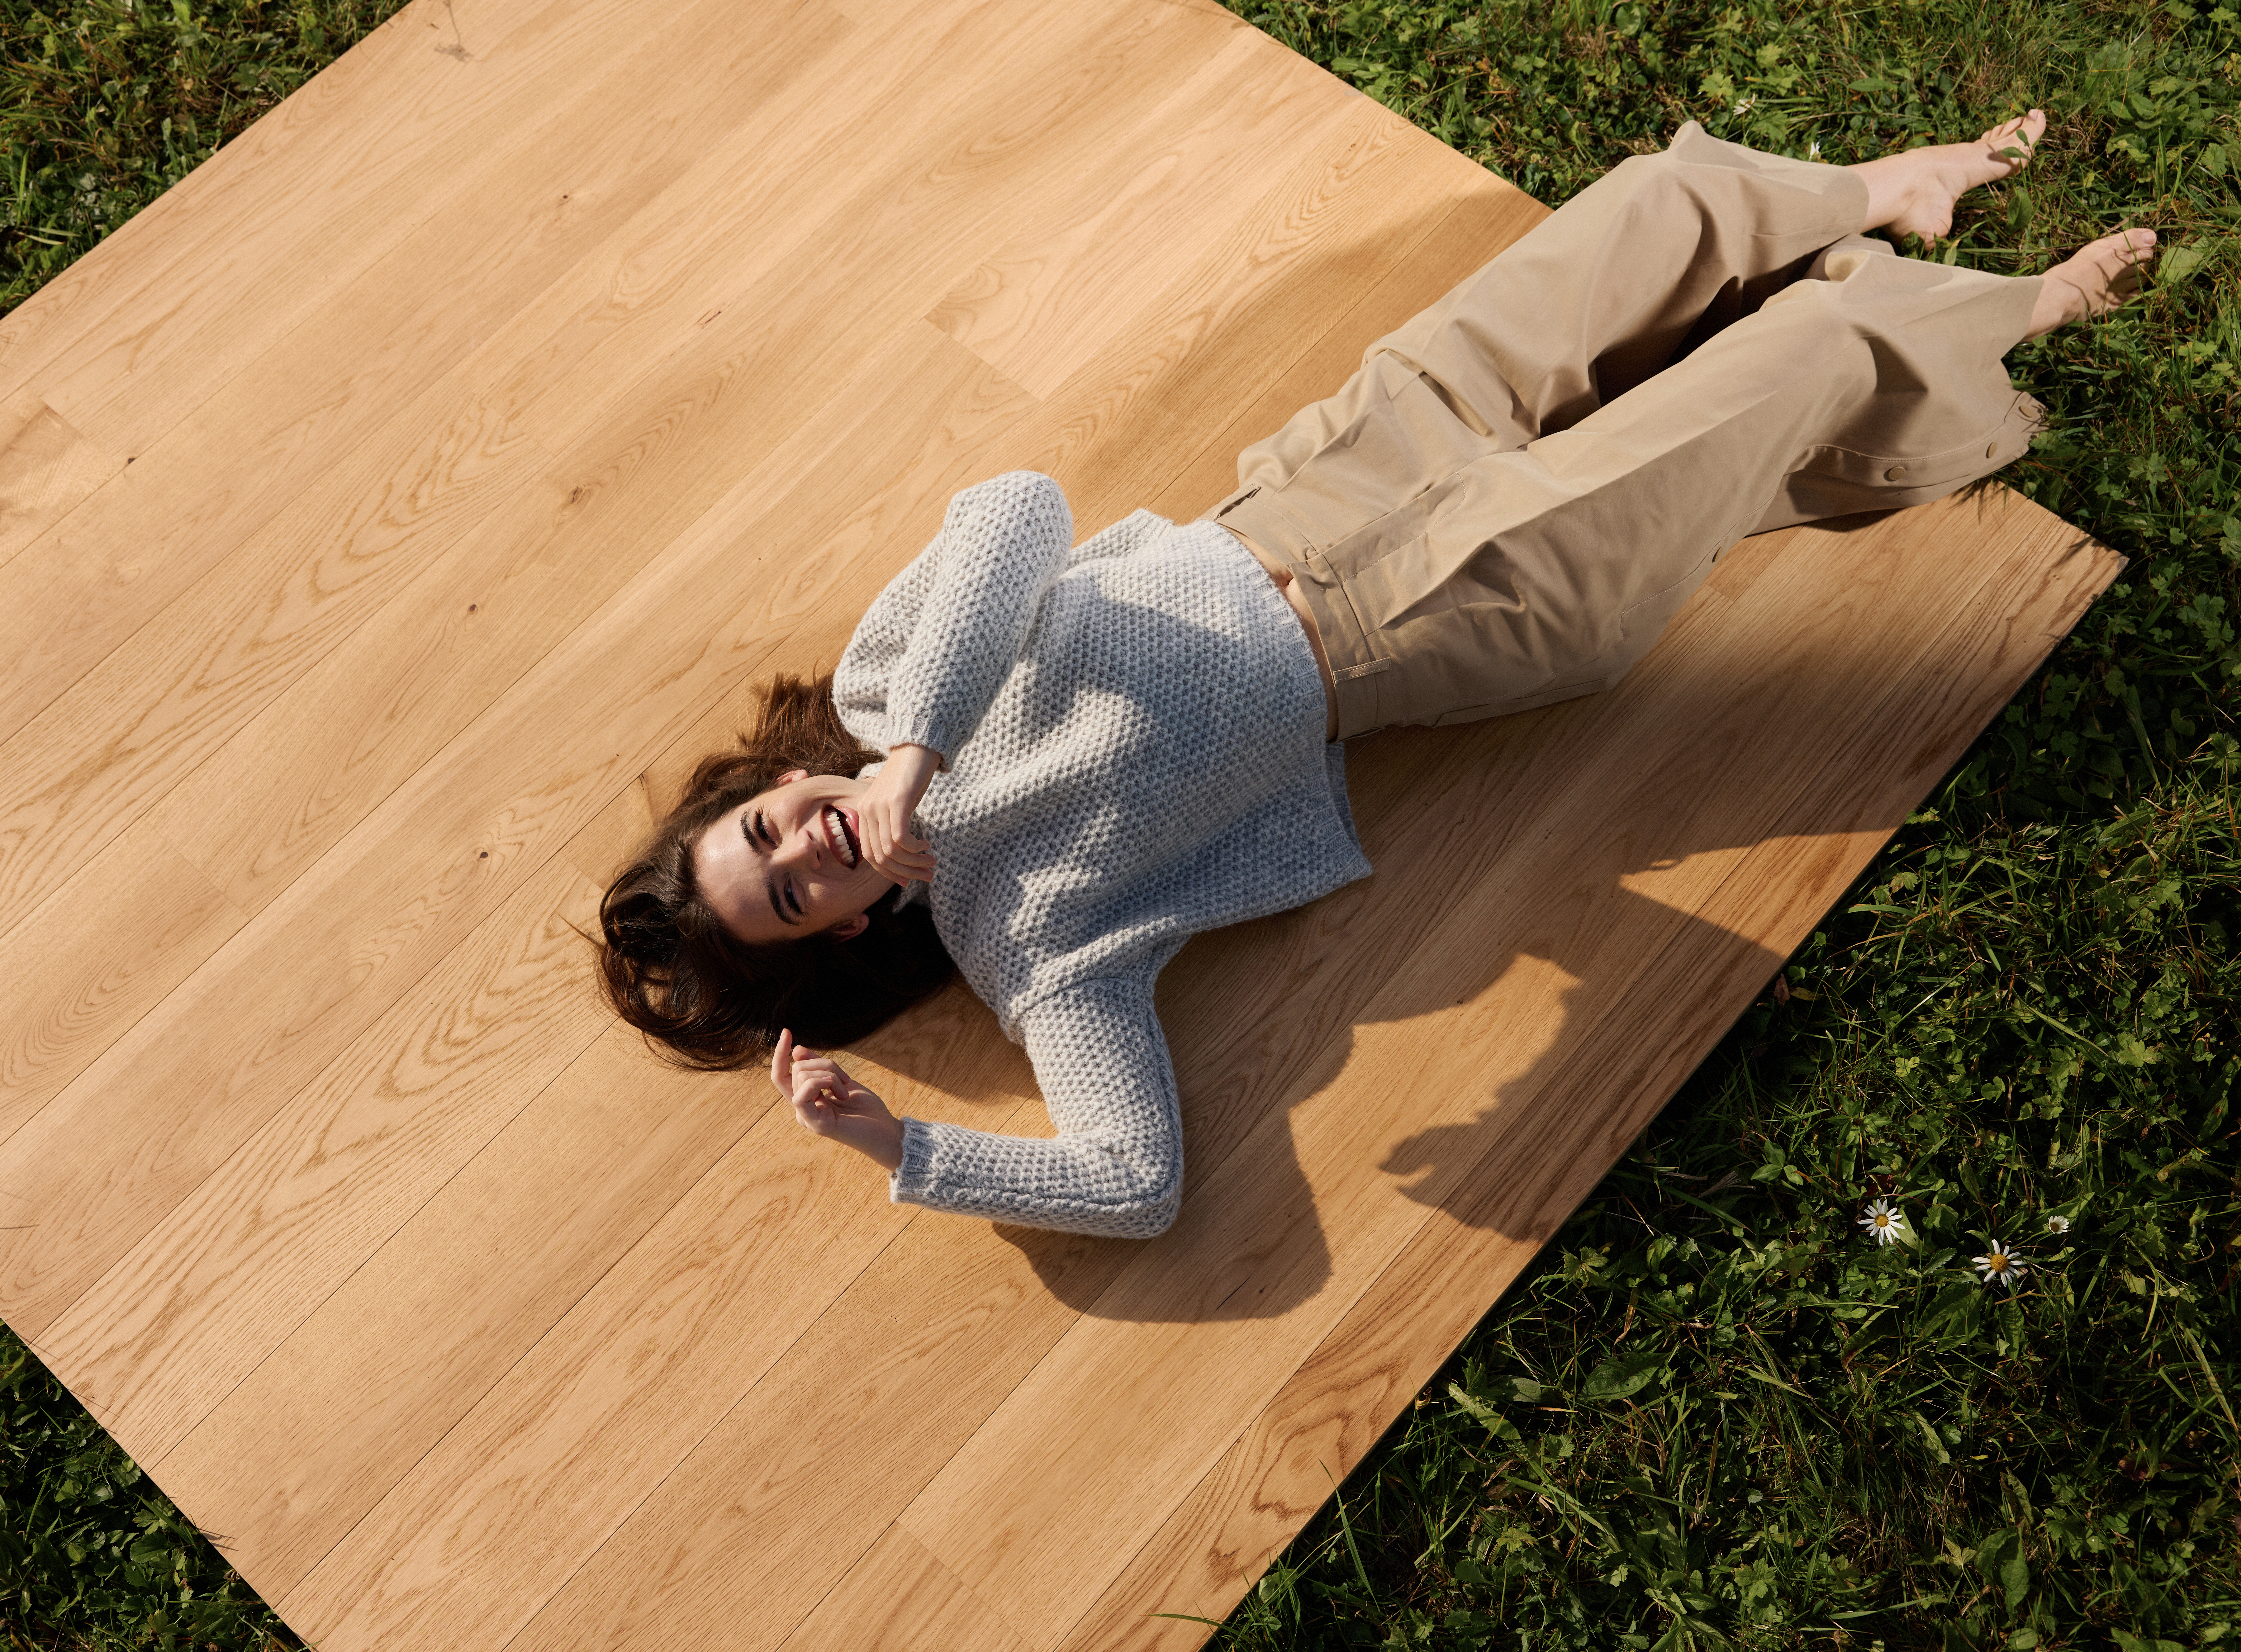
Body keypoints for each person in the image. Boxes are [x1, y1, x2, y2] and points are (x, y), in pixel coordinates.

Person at [596, 114, 2154, 1238]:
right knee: (1792, 369)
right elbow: (1137, 1180)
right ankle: (2015, 312)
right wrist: (904, 1147)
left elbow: (1014, 508)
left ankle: (1883, 193)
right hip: (1440, 621)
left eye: (759, 837)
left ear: (758, 792)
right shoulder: (1034, 943)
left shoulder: (888, 683)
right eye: (793, 898)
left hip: (1317, 481)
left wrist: (908, 759)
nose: (802, 851)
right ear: (850, 929)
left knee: (1642, 211)